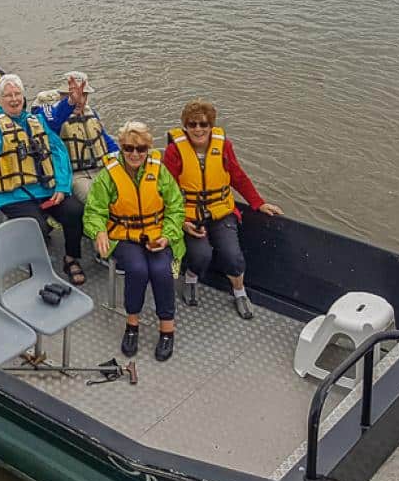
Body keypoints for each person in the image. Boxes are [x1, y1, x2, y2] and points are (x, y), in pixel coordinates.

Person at [0, 68, 88, 286]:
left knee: (75, 210)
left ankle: (71, 257)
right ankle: (38, 271)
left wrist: (62, 187)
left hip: (46, 189)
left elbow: (57, 152)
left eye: (17, 94)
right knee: (34, 224)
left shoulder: (35, 120)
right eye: (8, 95)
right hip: (13, 195)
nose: (14, 99)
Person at [164, 99, 284, 320]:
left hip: (221, 211)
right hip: (189, 215)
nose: (198, 129)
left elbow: (238, 177)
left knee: (233, 256)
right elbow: (164, 190)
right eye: (192, 125)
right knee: (201, 255)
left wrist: (258, 203)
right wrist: (180, 222)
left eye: (203, 124)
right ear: (185, 127)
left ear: (211, 125)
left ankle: (239, 292)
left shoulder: (224, 146)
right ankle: (191, 277)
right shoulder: (174, 152)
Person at [83, 121, 185, 362]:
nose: (134, 154)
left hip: (157, 235)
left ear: (148, 148)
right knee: (137, 269)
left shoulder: (160, 172)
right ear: (121, 147)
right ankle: (132, 324)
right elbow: (94, 211)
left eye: (141, 149)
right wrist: (98, 231)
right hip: (124, 236)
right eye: (128, 148)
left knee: (161, 270)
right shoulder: (108, 175)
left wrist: (167, 236)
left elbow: (176, 207)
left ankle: (167, 329)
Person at [33, 71, 119, 203]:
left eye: (83, 95)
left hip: (100, 168)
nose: (80, 100)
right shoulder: (48, 113)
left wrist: (121, 157)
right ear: (62, 95)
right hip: (74, 174)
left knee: (125, 190)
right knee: (96, 198)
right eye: (74, 95)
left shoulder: (90, 112)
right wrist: (70, 103)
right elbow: (54, 123)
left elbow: (104, 139)